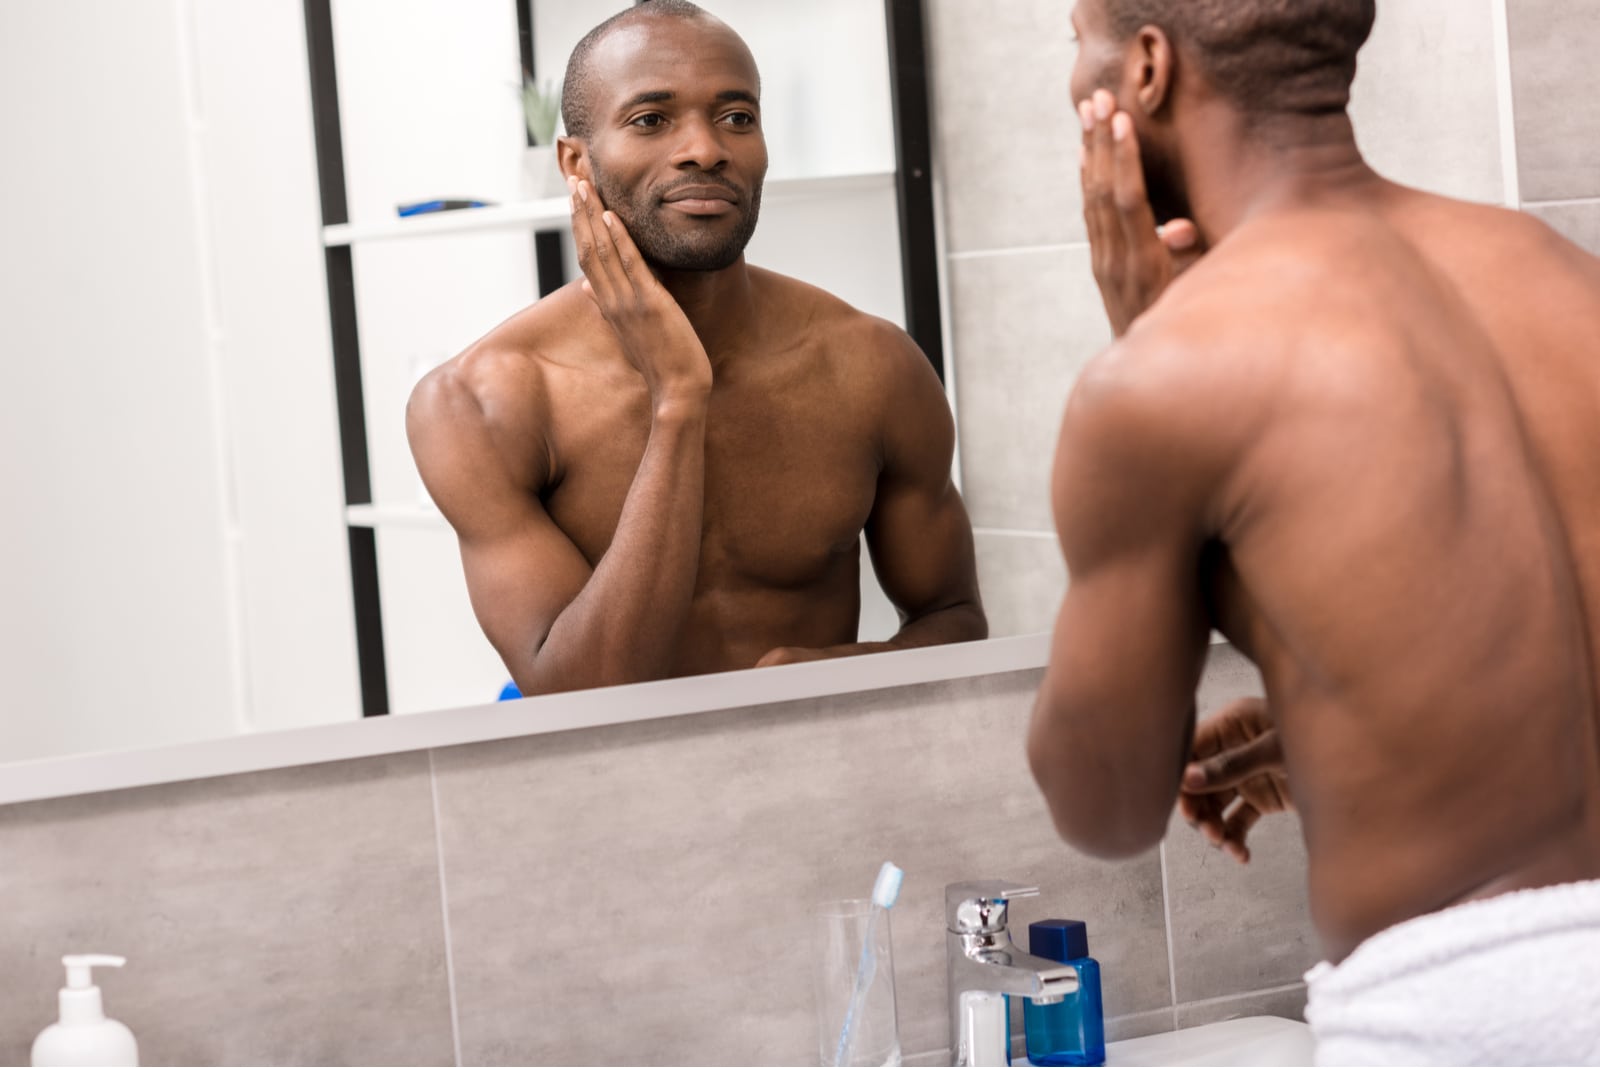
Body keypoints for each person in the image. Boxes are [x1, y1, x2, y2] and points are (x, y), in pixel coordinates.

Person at [1026, 0, 1600, 1062]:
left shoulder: (1173, 373)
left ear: (1146, 69)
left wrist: (1150, 352)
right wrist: (1371, 719)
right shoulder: (1563, 274)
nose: (1073, 85)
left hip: (1466, 1016)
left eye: (1078, 43)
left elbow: (1103, 808)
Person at [406, 1, 984, 697]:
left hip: (813, 771)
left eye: (737, 117)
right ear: (575, 163)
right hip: (602, 792)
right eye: (651, 119)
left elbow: (953, 618)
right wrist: (679, 398)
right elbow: (578, 696)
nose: (706, 149)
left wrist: (840, 672)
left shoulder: (871, 366)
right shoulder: (482, 401)